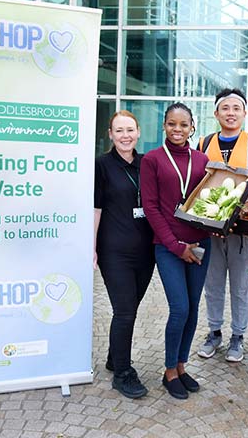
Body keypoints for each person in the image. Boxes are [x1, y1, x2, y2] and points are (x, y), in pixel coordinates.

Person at [196, 88, 248, 363]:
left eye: (236, 108)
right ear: (216, 113)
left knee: (241, 286)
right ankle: (214, 332)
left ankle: (238, 335)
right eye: (225, 108)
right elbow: (196, 184)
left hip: (244, 230)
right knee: (212, 283)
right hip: (211, 229)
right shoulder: (204, 143)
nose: (230, 113)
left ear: (244, 113)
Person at [141, 103, 211, 400]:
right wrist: (176, 246)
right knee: (180, 308)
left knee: (193, 308)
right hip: (169, 247)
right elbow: (151, 208)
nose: (177, 130)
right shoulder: (152, 160)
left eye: (183, 125)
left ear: (192, 127)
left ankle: (182, 366)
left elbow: (209, 200)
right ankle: (169, 370)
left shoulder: (204, 160)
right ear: (164, 127)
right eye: (172, 124)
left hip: (201, 244)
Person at [94, 110, 156, 399]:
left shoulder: (148, 164)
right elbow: (96, 209)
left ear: (138, 132)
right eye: (119, 130)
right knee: (125, 311)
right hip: (114, 252)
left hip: (146, 252)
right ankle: (122, 373)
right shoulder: (102, 166)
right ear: (111, 134)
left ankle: (113, 357)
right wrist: (91, 247)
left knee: (130, 308)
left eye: (130, 129)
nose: (125, 135)